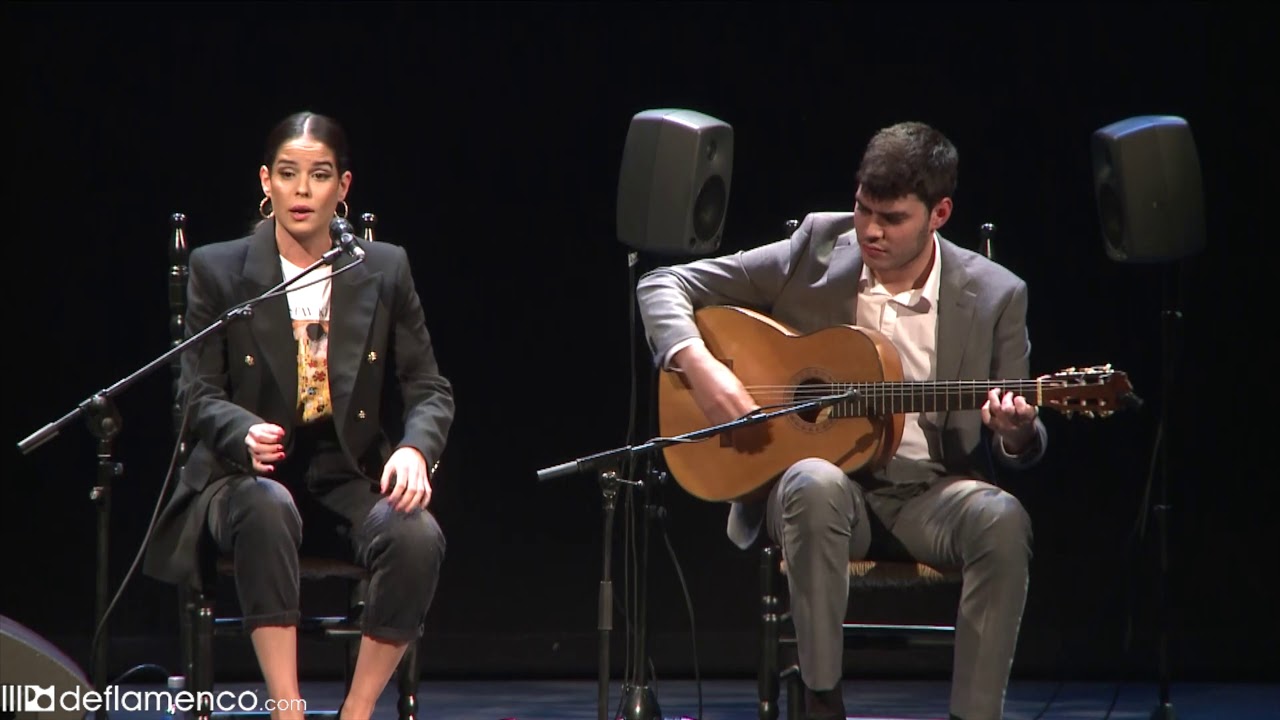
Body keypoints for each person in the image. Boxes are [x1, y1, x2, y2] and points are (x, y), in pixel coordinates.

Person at [636, 121, 1046, 720]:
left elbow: (1022, 433)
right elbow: (662, 283)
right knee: (813, 482)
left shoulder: (997, 294)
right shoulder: (819, 245)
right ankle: (821, 702)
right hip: (828, 493)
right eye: (863, 208)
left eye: (893, 217)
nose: (871, 230)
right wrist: (700, 366)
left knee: (1003, 521)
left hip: (931, 492)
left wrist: (1018, 433)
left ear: (940, 213)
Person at [143, 111, 453, 720]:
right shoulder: (221, 268)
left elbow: (428, 386)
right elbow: (195, 391)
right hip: (245, 478)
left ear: (343, 187)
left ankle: (356, 712)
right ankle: (289, 711)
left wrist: (417, 450)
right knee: (266, 506)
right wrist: (239, 430)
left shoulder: (383, 268)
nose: (303, 190)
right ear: (266, 182)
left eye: (319, 176)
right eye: (288, 174)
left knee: (416, 536)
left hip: (346, 476)